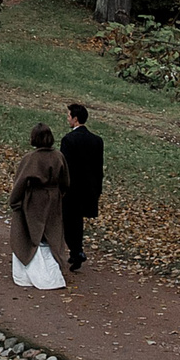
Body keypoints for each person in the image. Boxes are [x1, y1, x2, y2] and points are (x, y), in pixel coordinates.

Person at [10, 123, 70, 289]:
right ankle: (54, 271)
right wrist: (58, 195)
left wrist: (15, 202)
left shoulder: (30, 159)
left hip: (34, 200)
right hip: (54, 199)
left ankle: (37, 275)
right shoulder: (59, 156)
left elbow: (20, 182)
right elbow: (65, 182)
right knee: (52, 234)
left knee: (31, 235)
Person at [60, 102, 103, 270]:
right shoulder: (97, 141)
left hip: (71, 189)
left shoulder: (68, 140)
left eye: (69, 116)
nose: (67, 118)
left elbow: (65, 166)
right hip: (89, 188)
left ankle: (76, 251)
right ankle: (75, 252)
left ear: (75, 119)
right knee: (77, 221)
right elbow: (98, 167)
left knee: (69, 221)